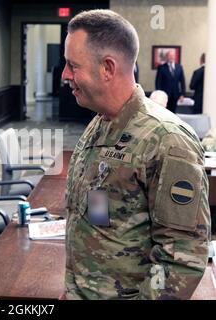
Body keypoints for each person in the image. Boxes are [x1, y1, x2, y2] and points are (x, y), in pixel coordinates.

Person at [61, 9, 210, 300]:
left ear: (107, 68)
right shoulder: (101, 123)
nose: (65, 75)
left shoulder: (167, 141)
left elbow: (181, 260)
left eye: (72, 65)